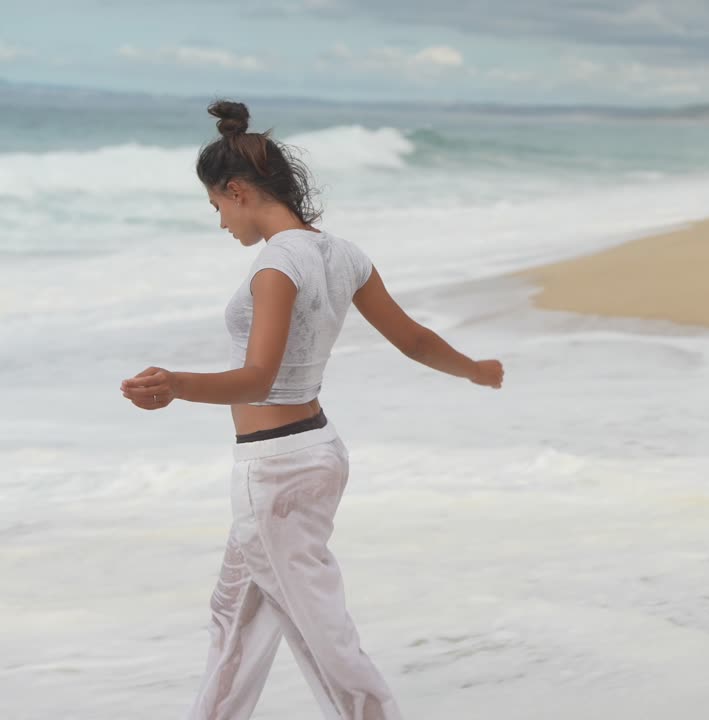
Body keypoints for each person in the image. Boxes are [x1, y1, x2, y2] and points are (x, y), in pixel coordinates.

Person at [119, 99, 504, 720]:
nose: (221, 224)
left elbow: (257, 379)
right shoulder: (343, 254)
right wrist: (475, 370)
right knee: (234, 620)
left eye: (216, 207)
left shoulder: (276, 263)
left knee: (324, 640)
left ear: (239, 191)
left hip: (275, 473)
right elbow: (414, 340)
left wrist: (176, 384)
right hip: (313, 454)